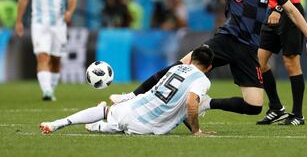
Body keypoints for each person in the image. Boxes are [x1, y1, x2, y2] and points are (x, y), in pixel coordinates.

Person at [109, 0, 307, 119]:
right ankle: (132, 96)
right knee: (179, 67)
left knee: (255, 106)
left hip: (248, 50)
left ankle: (206, 104)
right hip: (225, 40)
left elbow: (292, 10)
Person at [40, 46, 214, 136]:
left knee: (107, 111)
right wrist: (196, 131)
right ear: (209, 67)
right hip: (146, 128)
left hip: (132, 109)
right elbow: (191, 103)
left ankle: (58, 123)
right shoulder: (202, 80)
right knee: (122, 126)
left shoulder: (174, 69)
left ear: (190, 59)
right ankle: (99, 126)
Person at [15, 0, 77, 101]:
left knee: (56, 59)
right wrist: (19, 21)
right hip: (39, 23)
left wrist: (70, 11)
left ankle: (51, 89)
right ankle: (47, 91)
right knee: (43, 56)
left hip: (59, 24)